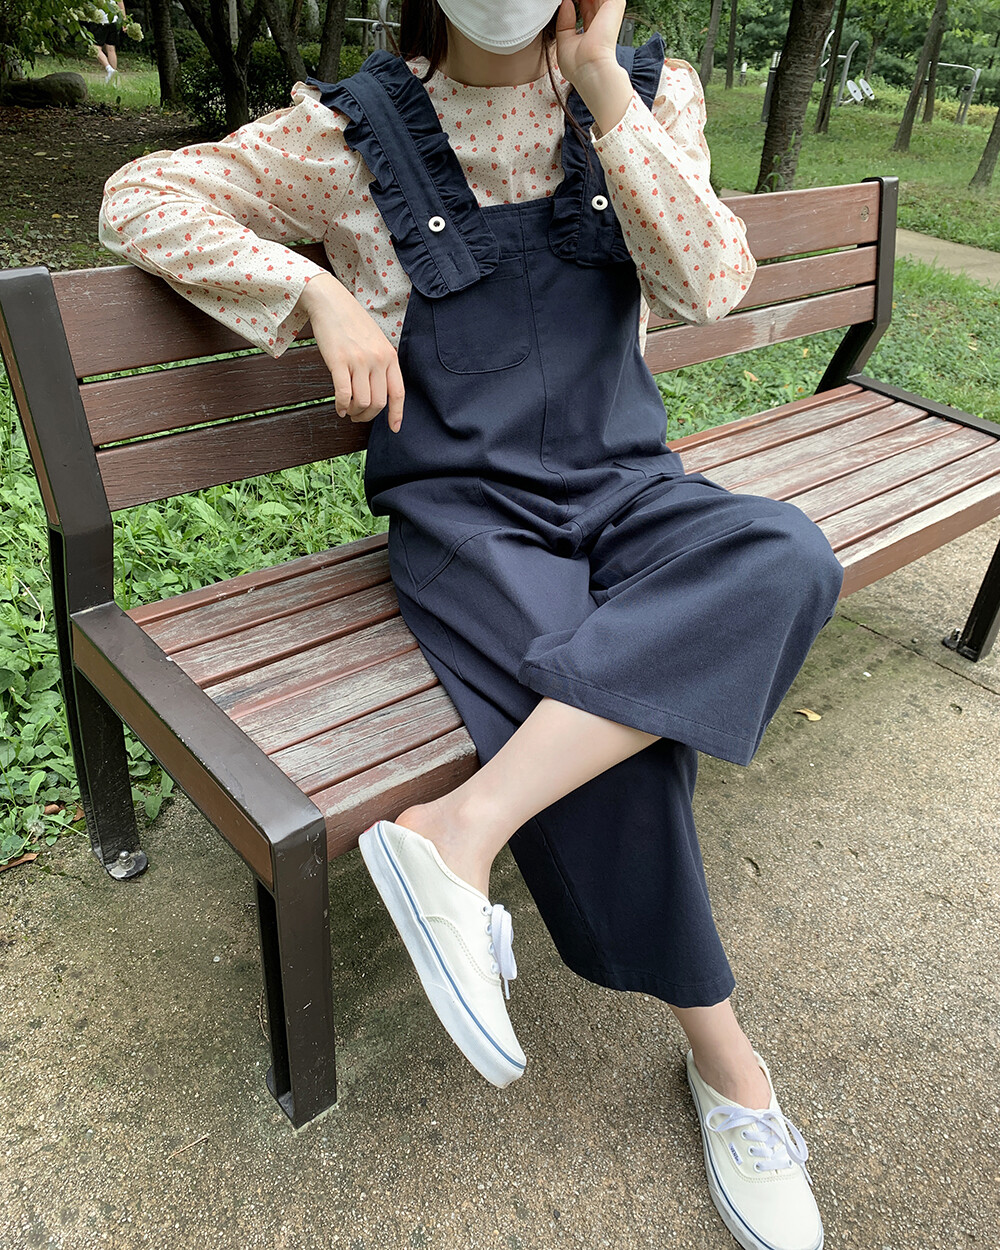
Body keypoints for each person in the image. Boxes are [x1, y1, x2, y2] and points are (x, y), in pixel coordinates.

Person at [99, 3, 844, 1247]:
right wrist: (315, 291)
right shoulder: (349, 133)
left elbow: (712, 283)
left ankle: (461, 826)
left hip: (629, 491)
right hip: (469, 520)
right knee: (615, 739)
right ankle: (731, 1068)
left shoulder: (645, 95)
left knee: (786, 553)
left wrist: (601, 85)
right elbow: (137, 195)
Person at [84, 0, 127, 81]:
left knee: (95, 48)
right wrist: (124, 19)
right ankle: (113, 77)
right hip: (113, 20)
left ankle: (109, 69)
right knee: (111, 49)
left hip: (99, 20)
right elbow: (120, 2)